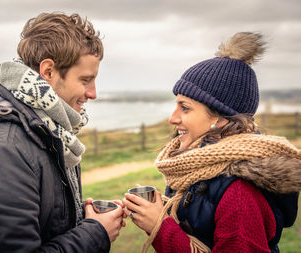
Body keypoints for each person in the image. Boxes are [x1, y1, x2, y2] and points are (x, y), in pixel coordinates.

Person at [0, 13, 124, 253]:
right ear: (49, 72)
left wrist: (82, 219)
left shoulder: (50, 128)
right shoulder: (0, 152)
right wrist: (96, 233)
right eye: (86, 80)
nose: (93, 93)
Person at [123, 32, 301, 253]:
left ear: (220, 118)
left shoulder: (240, 192)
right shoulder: (201, 166)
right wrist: (162, 211)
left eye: (185, 107)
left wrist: (160, 227)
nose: (172, 118)